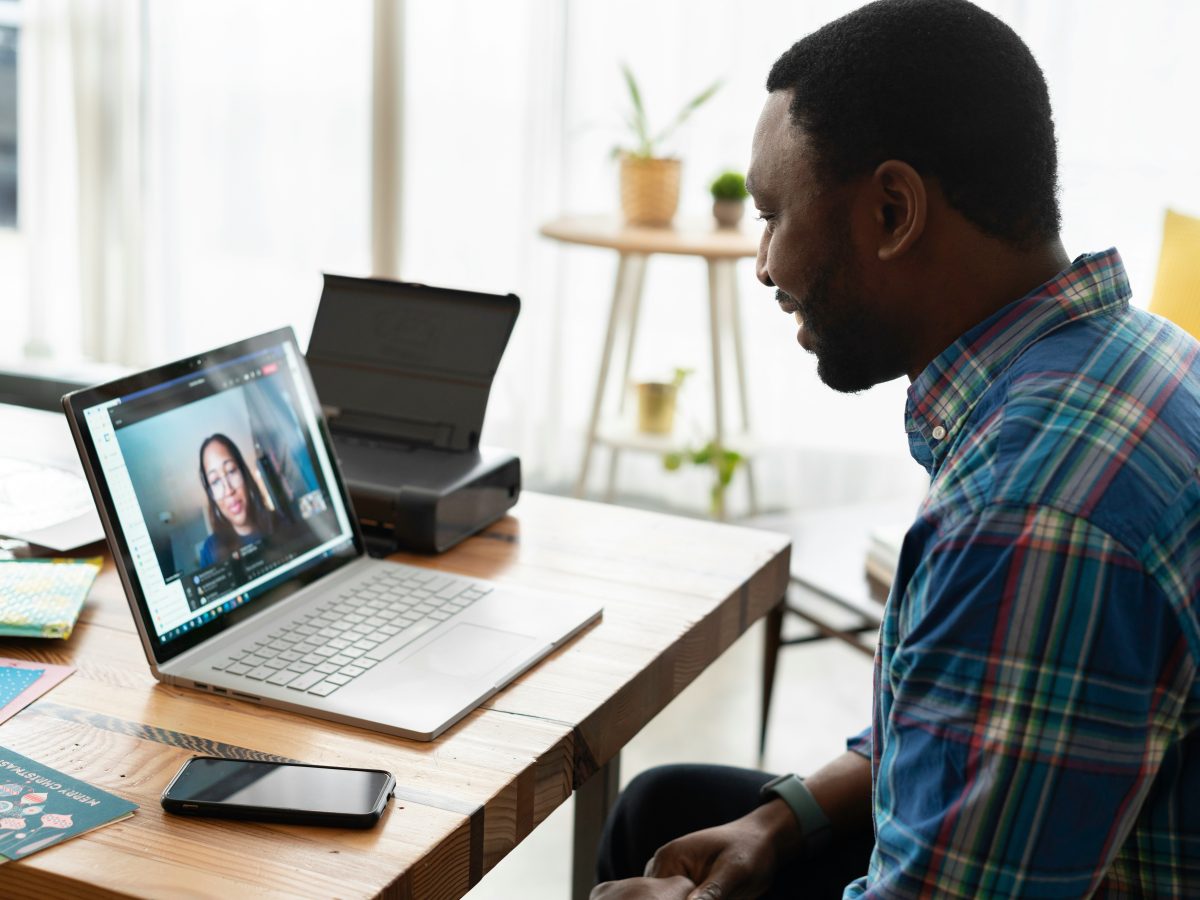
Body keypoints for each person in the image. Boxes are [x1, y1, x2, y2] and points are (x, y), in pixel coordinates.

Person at [592, 1, 1200, 897]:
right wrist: (780, 818)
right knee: (666, 807)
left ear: (891, 210)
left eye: (773, 215)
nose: (763, 263)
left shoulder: (1027, 512)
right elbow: (970, 719)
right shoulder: (1136, 356)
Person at [197, 432, 280, 567]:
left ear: (244, 473)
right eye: (215, 481)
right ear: (211, 494)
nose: (229, 490)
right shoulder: (210, 551)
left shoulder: (280, 521)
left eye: (231, 471)